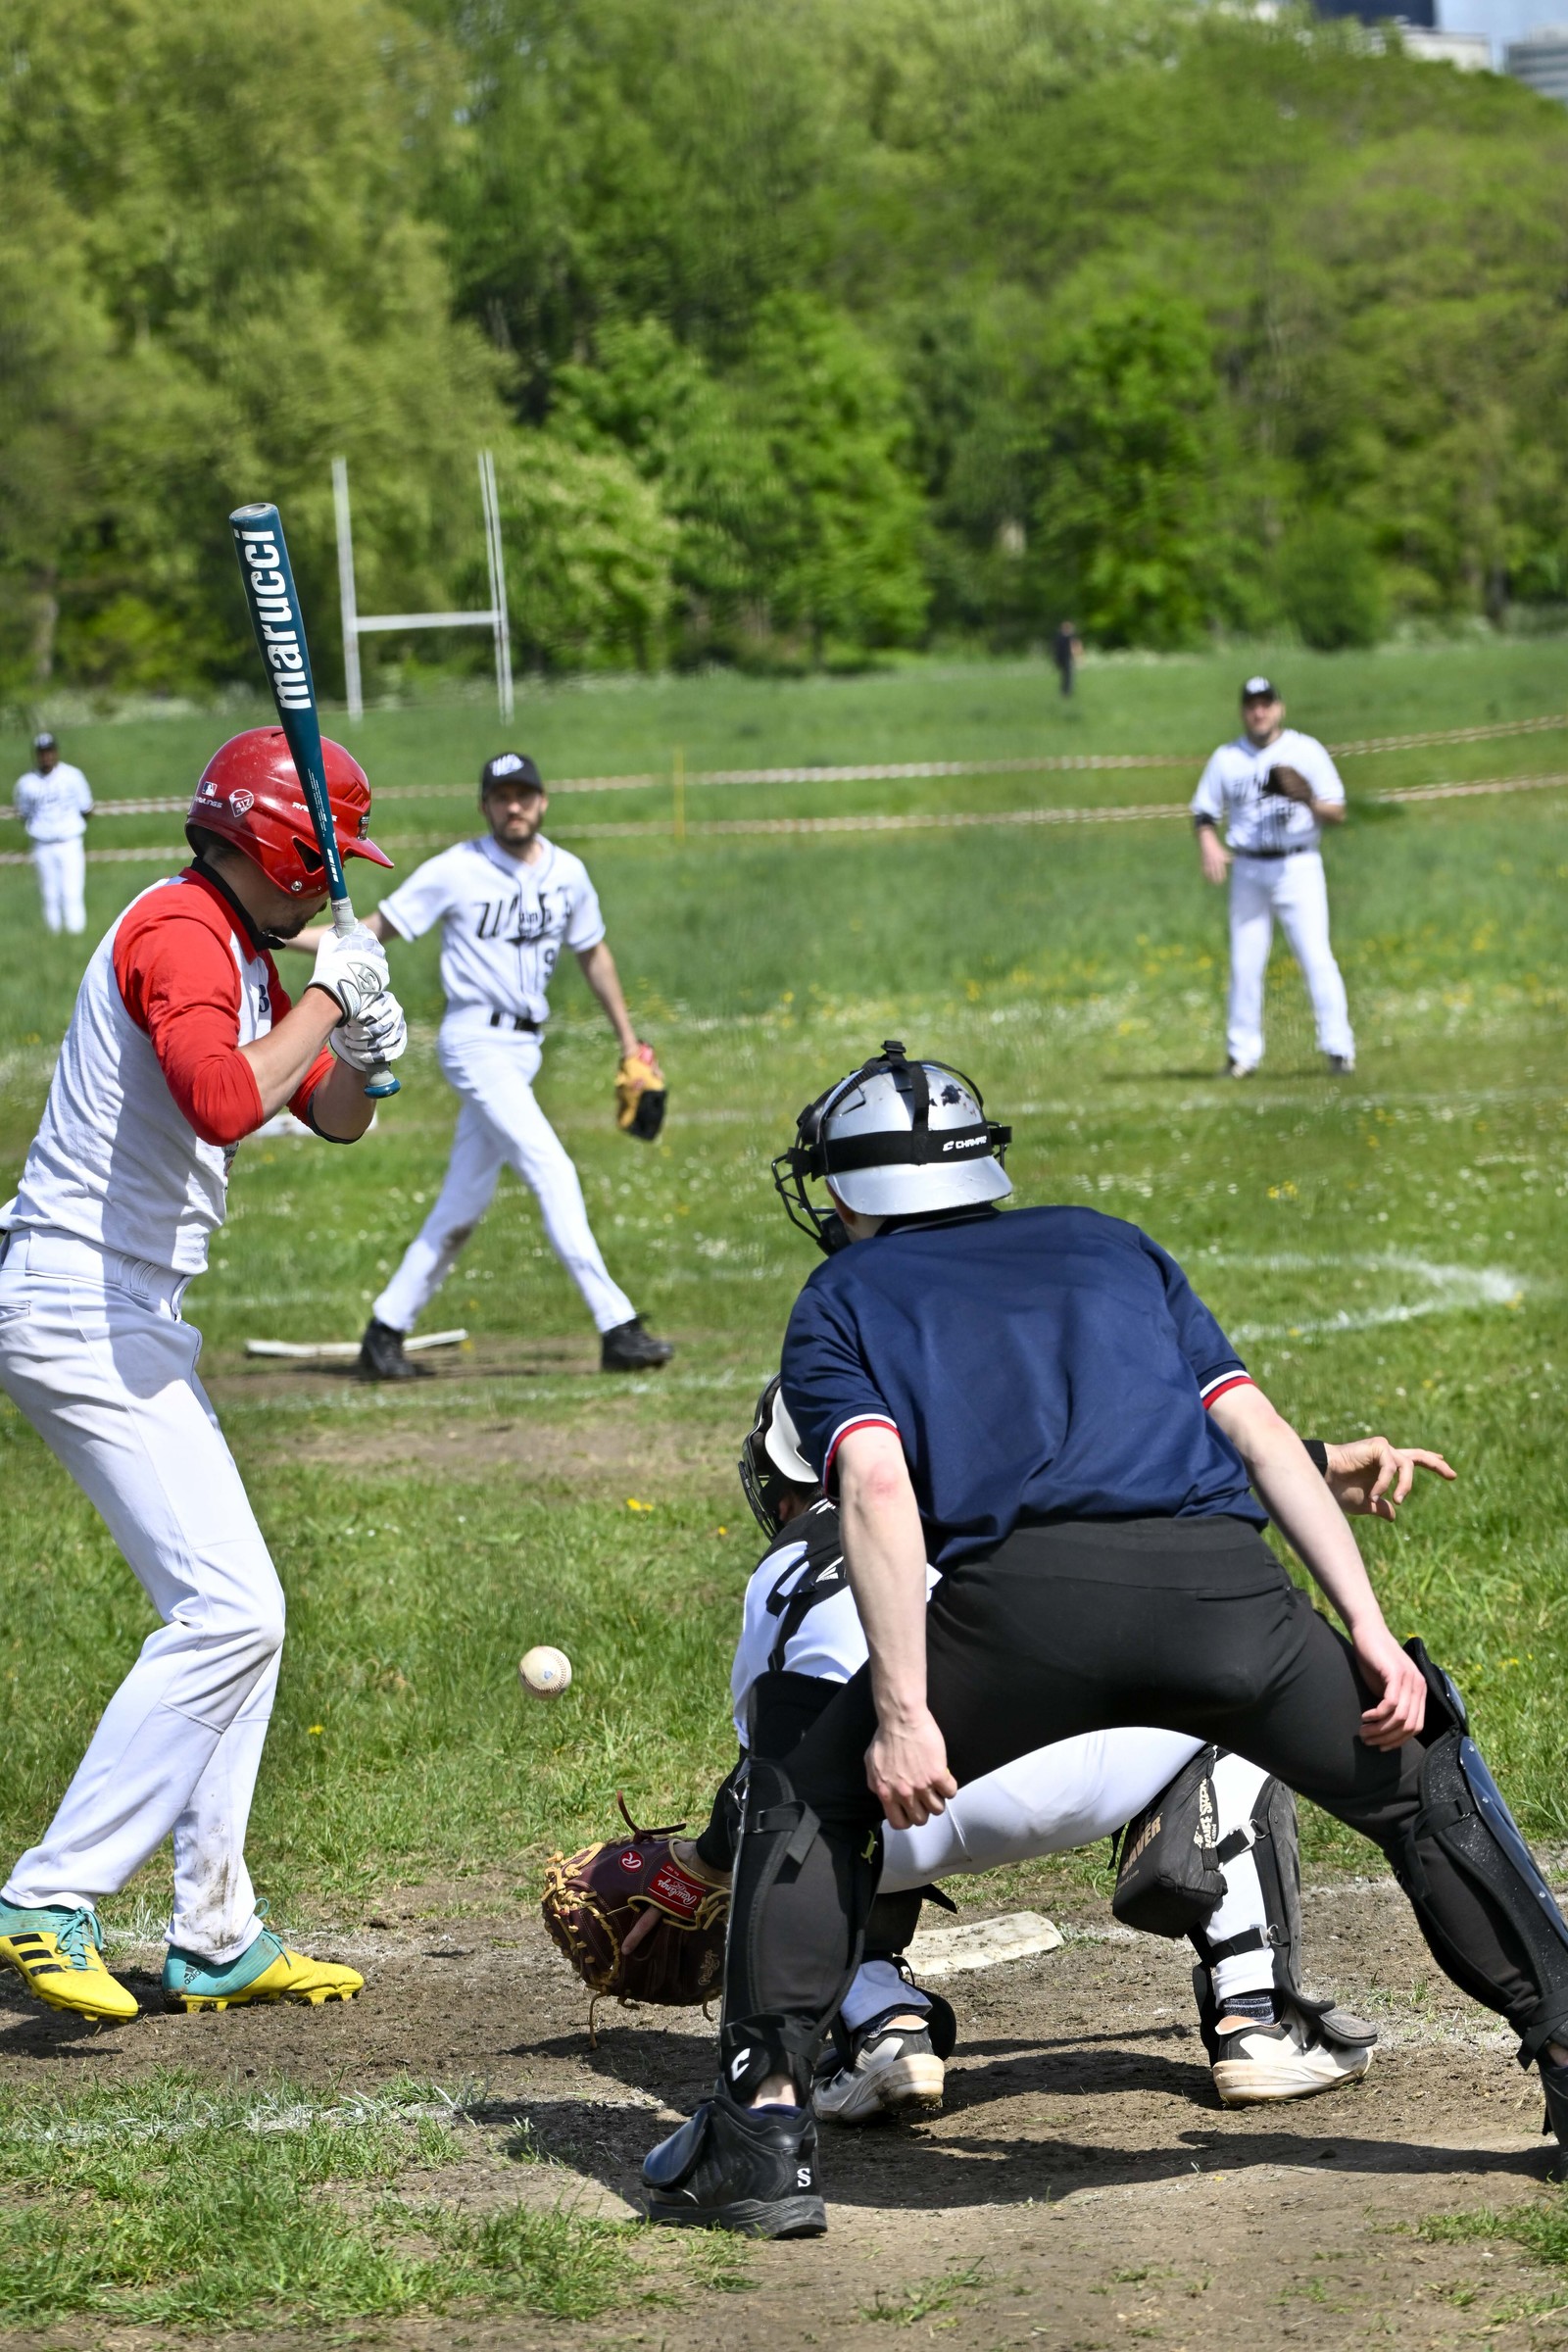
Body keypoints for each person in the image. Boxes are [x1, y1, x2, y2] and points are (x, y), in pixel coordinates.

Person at [639, 1044, 1568, 2237]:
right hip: (1227, 1601)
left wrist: (908, 1714)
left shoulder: (841, 1299)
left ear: (853, 1193)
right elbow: (1263, 1437)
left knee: (804, 1790)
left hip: (1022, 1617)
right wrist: (1370, 1633)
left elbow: (873, 1486)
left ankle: (760, 2128)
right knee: (1420, 1778)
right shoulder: (1111, 1240)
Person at [673, 1382, 1448, 2125]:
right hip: (1073, 1763)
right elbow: (1165, 1465)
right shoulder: (991, 1490)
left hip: (893, 1815)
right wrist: (1315, 1459)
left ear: (784, 1484)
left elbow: (770, 1777)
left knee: (807, 1804)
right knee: (1229, 1677)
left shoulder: (772, 1579)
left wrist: (702, 1863)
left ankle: (879, 2026)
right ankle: (1254, 2013)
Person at [0, 729, 406, 2024]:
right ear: (283, 847)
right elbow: (224, 1102)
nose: (330, 884)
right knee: (229, 1614)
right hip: (76, 1305)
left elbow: (321, 1114)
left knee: (246, 1611)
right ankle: (49, 1893)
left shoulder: (236, 948)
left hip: (123, 1310)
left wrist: (365, 1049)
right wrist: (329, 1004)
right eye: (328, 859)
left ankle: (215, 1928)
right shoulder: (180, 932)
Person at [295, 752, 670, 1379]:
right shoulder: (456, 870)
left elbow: (593, 953)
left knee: (461, 1208)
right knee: (552, 1168)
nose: (513, 806)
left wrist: (629, 1043)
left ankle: (384, 1333)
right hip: (474, 1042)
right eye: (501, 796)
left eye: (524, 794)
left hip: (524, 1048)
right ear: (484, 806)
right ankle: (618, 1326)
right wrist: (276, 934)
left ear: (543, 802)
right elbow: (371, 929)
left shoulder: (569, 873)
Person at [1191, 676, 1355, 1078]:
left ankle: (1339, 1049)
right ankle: (1241, 1056)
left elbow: (1339, 811)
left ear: (1279, 708)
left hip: (1297, 866)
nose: (1258, 711)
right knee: (1245, 963)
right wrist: (1209, 844)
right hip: (1248, 868)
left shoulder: (1305, 750)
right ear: (1243, 711)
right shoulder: (1227, 758)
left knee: (1316, 956)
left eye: (1266, 703)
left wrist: (1308, 800)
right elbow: (1204, 812)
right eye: (1251, 704)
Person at [14, 731, 93, 935]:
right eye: (42, 752)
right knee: (49, 893)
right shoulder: (26, 783)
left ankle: (76, 934)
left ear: (55, 752)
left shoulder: (72, 776)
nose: (46, 756)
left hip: (69, 841)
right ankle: (54, 934)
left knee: (72, 892)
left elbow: (86, 808)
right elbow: (24, 813)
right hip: (42, 843)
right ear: (36, 755)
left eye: (49, 751)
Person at [1051, 621, 1083, 700]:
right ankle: (1066, 692)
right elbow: (1076, 647)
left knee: (1066, 676)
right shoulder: (1068, 637)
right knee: (1067, 676)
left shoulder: (1060, 637)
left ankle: (1066, 692)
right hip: (1065, 658)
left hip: (1064, 659)